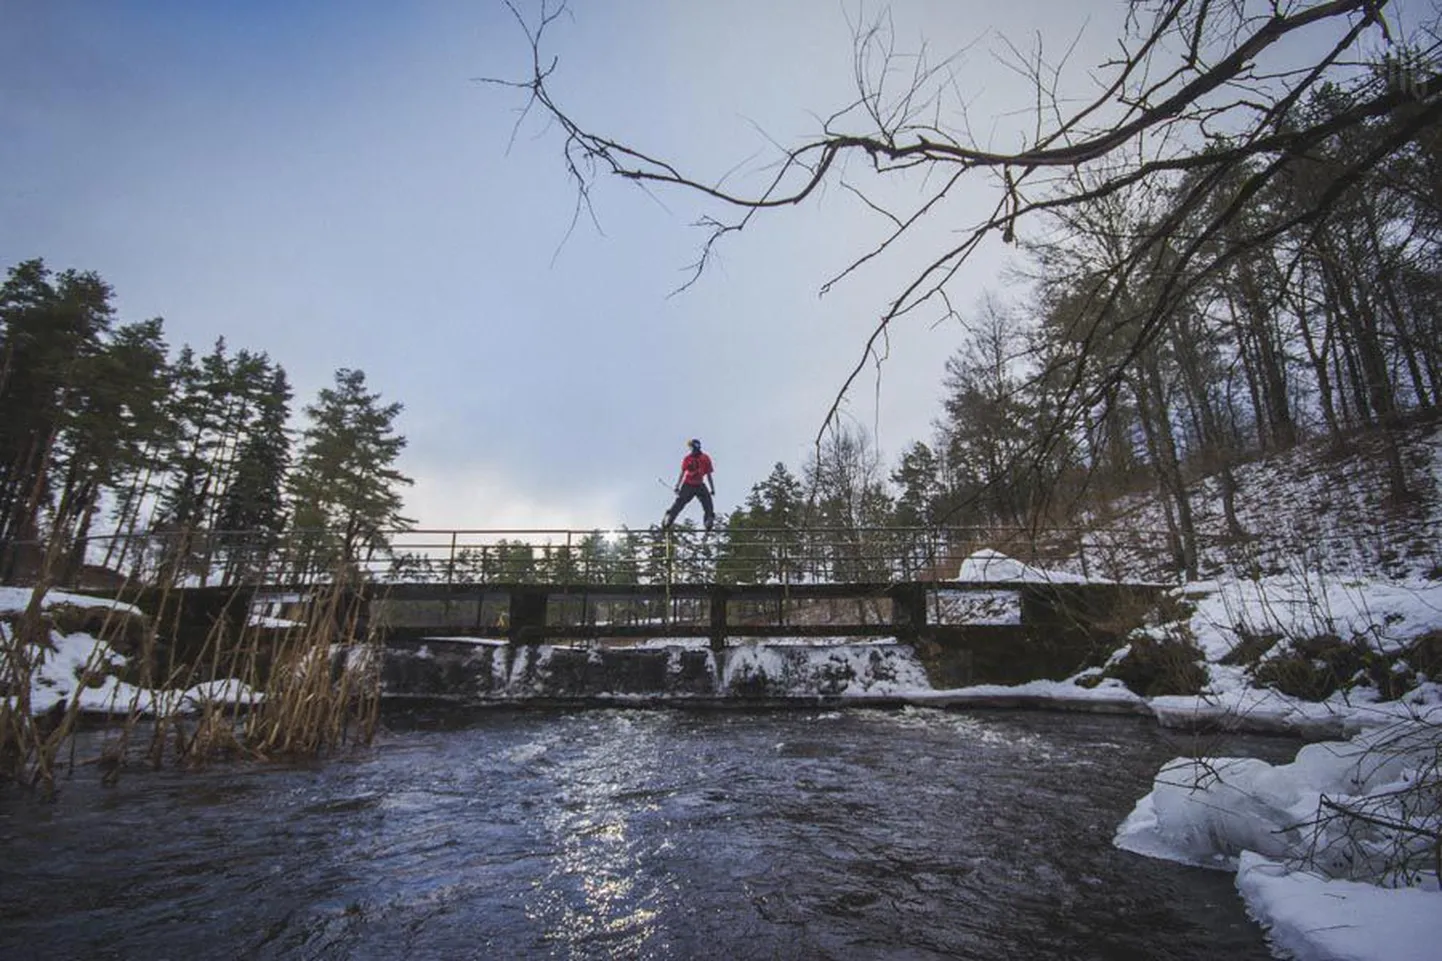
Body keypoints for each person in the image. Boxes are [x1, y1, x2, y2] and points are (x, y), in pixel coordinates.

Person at [663, 438, 716, 531]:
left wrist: (712, 489)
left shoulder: (705, 458)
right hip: (688, 485)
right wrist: (677, 486)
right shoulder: (687, 459)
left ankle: (708, 520)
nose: (690, 449)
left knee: (708, 503)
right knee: (680, 503)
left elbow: (709, 475)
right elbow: (682, 473)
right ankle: (669, 518)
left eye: (691, 447)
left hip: (699, 485)